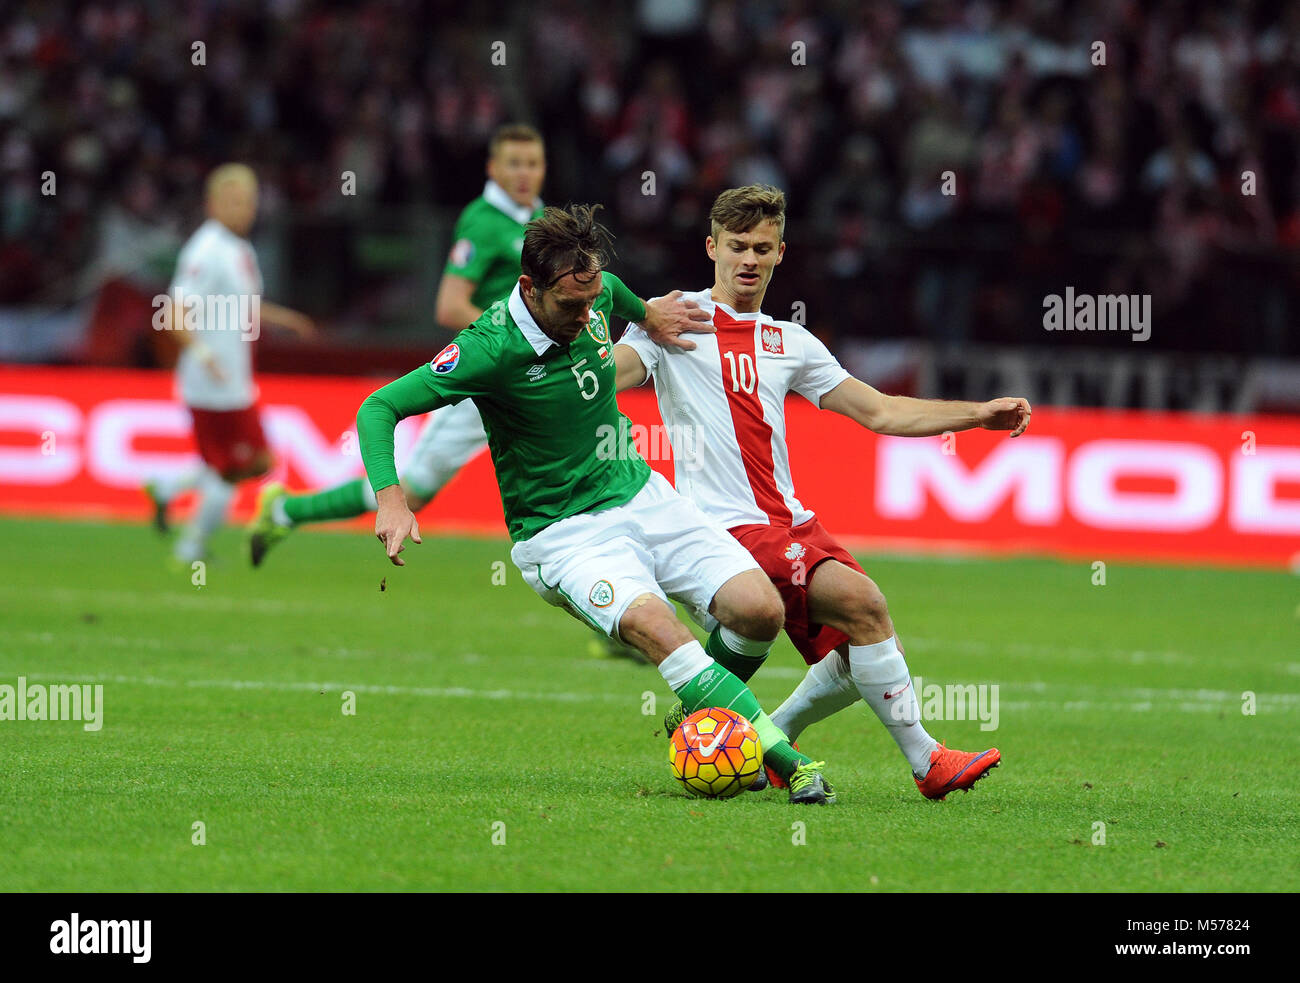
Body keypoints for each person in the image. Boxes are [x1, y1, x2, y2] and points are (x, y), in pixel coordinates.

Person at [358, 203, 837, 804]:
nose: (589, 316)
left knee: (759, 609)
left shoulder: (593, 288)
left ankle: (701, 709)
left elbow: (614, 292)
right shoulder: (488, 348)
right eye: (572, 306)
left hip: (639, 493)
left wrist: (651, 316)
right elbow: (378, 408)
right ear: (529, 288)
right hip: (563, 534)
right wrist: (392, 499)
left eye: (593, 300)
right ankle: (789, 762)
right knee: (655, 626)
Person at [614, 185, 1032, 799]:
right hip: (724, 530)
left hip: (792, 521)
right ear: (711, 247)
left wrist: (977, 416)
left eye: (762, 247)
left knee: (854, 650)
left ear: (781, 252)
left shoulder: (792, 341)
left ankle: (762, 738)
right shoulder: (673, 322)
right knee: (865, 605)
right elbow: (611, 374)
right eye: (736, 247)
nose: (748, 260)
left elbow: (881, 412)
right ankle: (927, 762)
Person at [248, 125, 546, 564]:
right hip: (490, 377)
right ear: (493, 168)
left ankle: (614, 606)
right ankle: (284, 509)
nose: (525, 173)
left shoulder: (538, 217)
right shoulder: (482, 221)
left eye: (533, 163)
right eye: (514, 163)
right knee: (414, 490)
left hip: (537, 376)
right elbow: (449, 306)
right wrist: (516, 340)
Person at [144, 163, 314, 564]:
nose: (245, 209)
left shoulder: (239, 248)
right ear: (212, 203)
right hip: (212, 383)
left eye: (249, 201)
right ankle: (191, 548)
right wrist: (204, 356)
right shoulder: (205, 249)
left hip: (233, 380)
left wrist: (285, 319)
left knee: (246, 462)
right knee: (239, 465)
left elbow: (243, 305)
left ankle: (167, 490)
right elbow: (173, 312)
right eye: (235, 201)